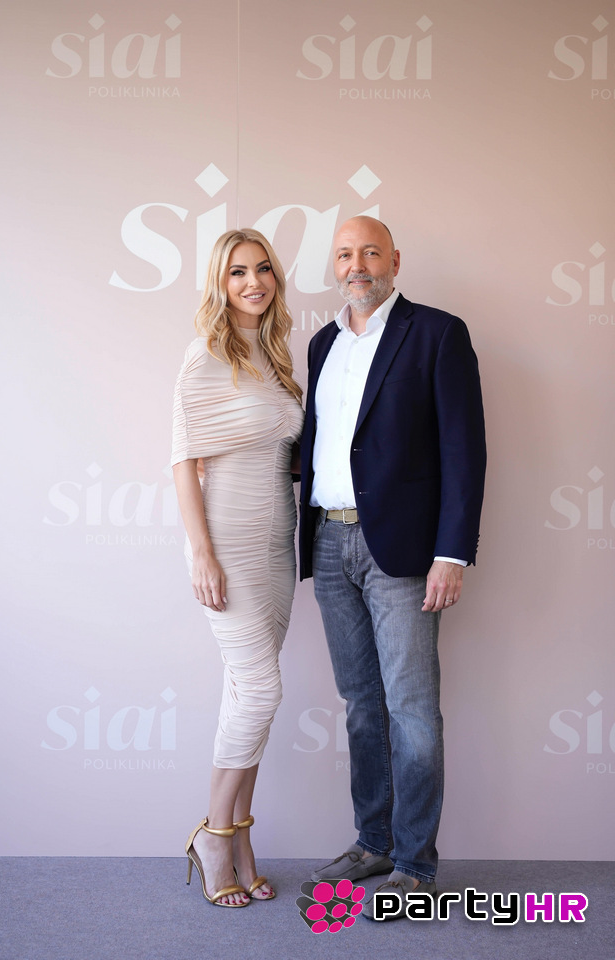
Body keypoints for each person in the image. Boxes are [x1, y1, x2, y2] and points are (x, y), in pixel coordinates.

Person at [299, 216, 486, 920]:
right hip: (329, 540)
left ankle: (414, 862)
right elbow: (320, 444)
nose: (358, 265)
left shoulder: (437, 333)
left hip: (404, 551)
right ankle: (372, 841)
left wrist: (451, 552)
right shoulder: (322, 343)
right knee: (361, 705)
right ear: (334, 265)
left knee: (411, 708)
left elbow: (464, 450)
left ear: (395, 260)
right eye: (345, 254)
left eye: (371, 252)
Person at [172, 228, 303, 908]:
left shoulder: (276, 357)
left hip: (278, 548)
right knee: (260, 692)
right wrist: (201, 553)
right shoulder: (206, 354)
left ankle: (242, 838)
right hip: (226, 545)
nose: (254, 282)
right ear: (219, 285)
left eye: (263, 269)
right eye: (237, 273)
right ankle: (215, 834)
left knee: (244, 695)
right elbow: (181, 463)